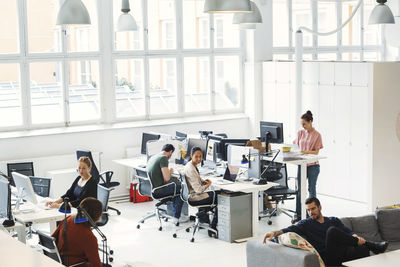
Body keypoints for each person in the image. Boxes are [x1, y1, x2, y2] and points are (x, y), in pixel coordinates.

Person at [263, 197, 388, 266]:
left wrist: (354, 236)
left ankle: (369, 246)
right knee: (332, 231)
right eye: (308, 210)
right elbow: (290, 229)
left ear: (320, 207)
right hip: (328, 258)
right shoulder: (306, 224)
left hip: (342, 253)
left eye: (313, 209)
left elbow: (347, 231)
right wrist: (274, 233)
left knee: (362, 249)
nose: (311, 212)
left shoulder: (333, 219)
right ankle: (373, 245)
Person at [52, 197, 103, 267]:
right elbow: (96, 265)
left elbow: (52, 238)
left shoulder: (68, 219)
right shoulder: (89, 237)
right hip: (75, 264)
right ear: (98, 217)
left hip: (58, 261)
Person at [294, 110, 323, 220]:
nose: (303, 126)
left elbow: (316, 152)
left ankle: (313, 215)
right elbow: (295, 146)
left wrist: (305, 151)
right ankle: (299, 214)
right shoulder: (300, 133)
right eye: (302, 124)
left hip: (313, 166)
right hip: (302, 164)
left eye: (304, 124)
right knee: (299, 190)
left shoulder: (317, 135)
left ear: (310, 122)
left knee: (311, 190)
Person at [184, 146, 219, 235]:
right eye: (196, 156)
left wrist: (202, 181)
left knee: (214, 193)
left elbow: (194, 180)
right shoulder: (191, 169)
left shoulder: (189, 165)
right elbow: (199, 190)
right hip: (195, 197)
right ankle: (213, 226)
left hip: (191, 195)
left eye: (200, 156)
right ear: (191, 156)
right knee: (220, 196)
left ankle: (204, 218)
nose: (199, 159)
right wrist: (208, 184)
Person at [146, 144, 184, 224]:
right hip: (160, 190)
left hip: (154, 189)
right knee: (182, 188)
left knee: (176, 187)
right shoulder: (164, 158)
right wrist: (170, 171)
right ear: (170, 152)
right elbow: (167, 179)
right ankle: (176, 217)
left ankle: (173, 214)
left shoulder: (154, 157)